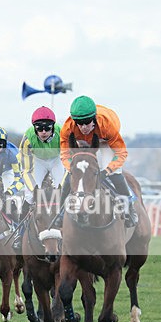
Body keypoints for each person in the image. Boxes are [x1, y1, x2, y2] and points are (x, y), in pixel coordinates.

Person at [59, 95, 138, 227]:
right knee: (73, 173)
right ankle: (60, 213)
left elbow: (121, 152)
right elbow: (65, 154)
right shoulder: (68, 128)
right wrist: (72, 169)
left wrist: (107, 170)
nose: (83, 127)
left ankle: (129, 207)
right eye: (80, 123)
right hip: (83, 142)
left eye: (87, 122)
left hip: (105, 141)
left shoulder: (107, 125)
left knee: (114, 173)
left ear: (94, 119)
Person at [13, 106, 64, 247]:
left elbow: (69, 164)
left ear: (53, 127)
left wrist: (60, 187)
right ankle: (20, 234)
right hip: (38, 161)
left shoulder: (63, 134)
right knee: (29, 196)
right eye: (39, 129)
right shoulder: (27, 140)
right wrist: (35, 189)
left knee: (65, 191)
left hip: (57, 160)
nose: (43, 132)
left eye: (47, 128)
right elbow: (26, 171)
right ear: (34, 128)